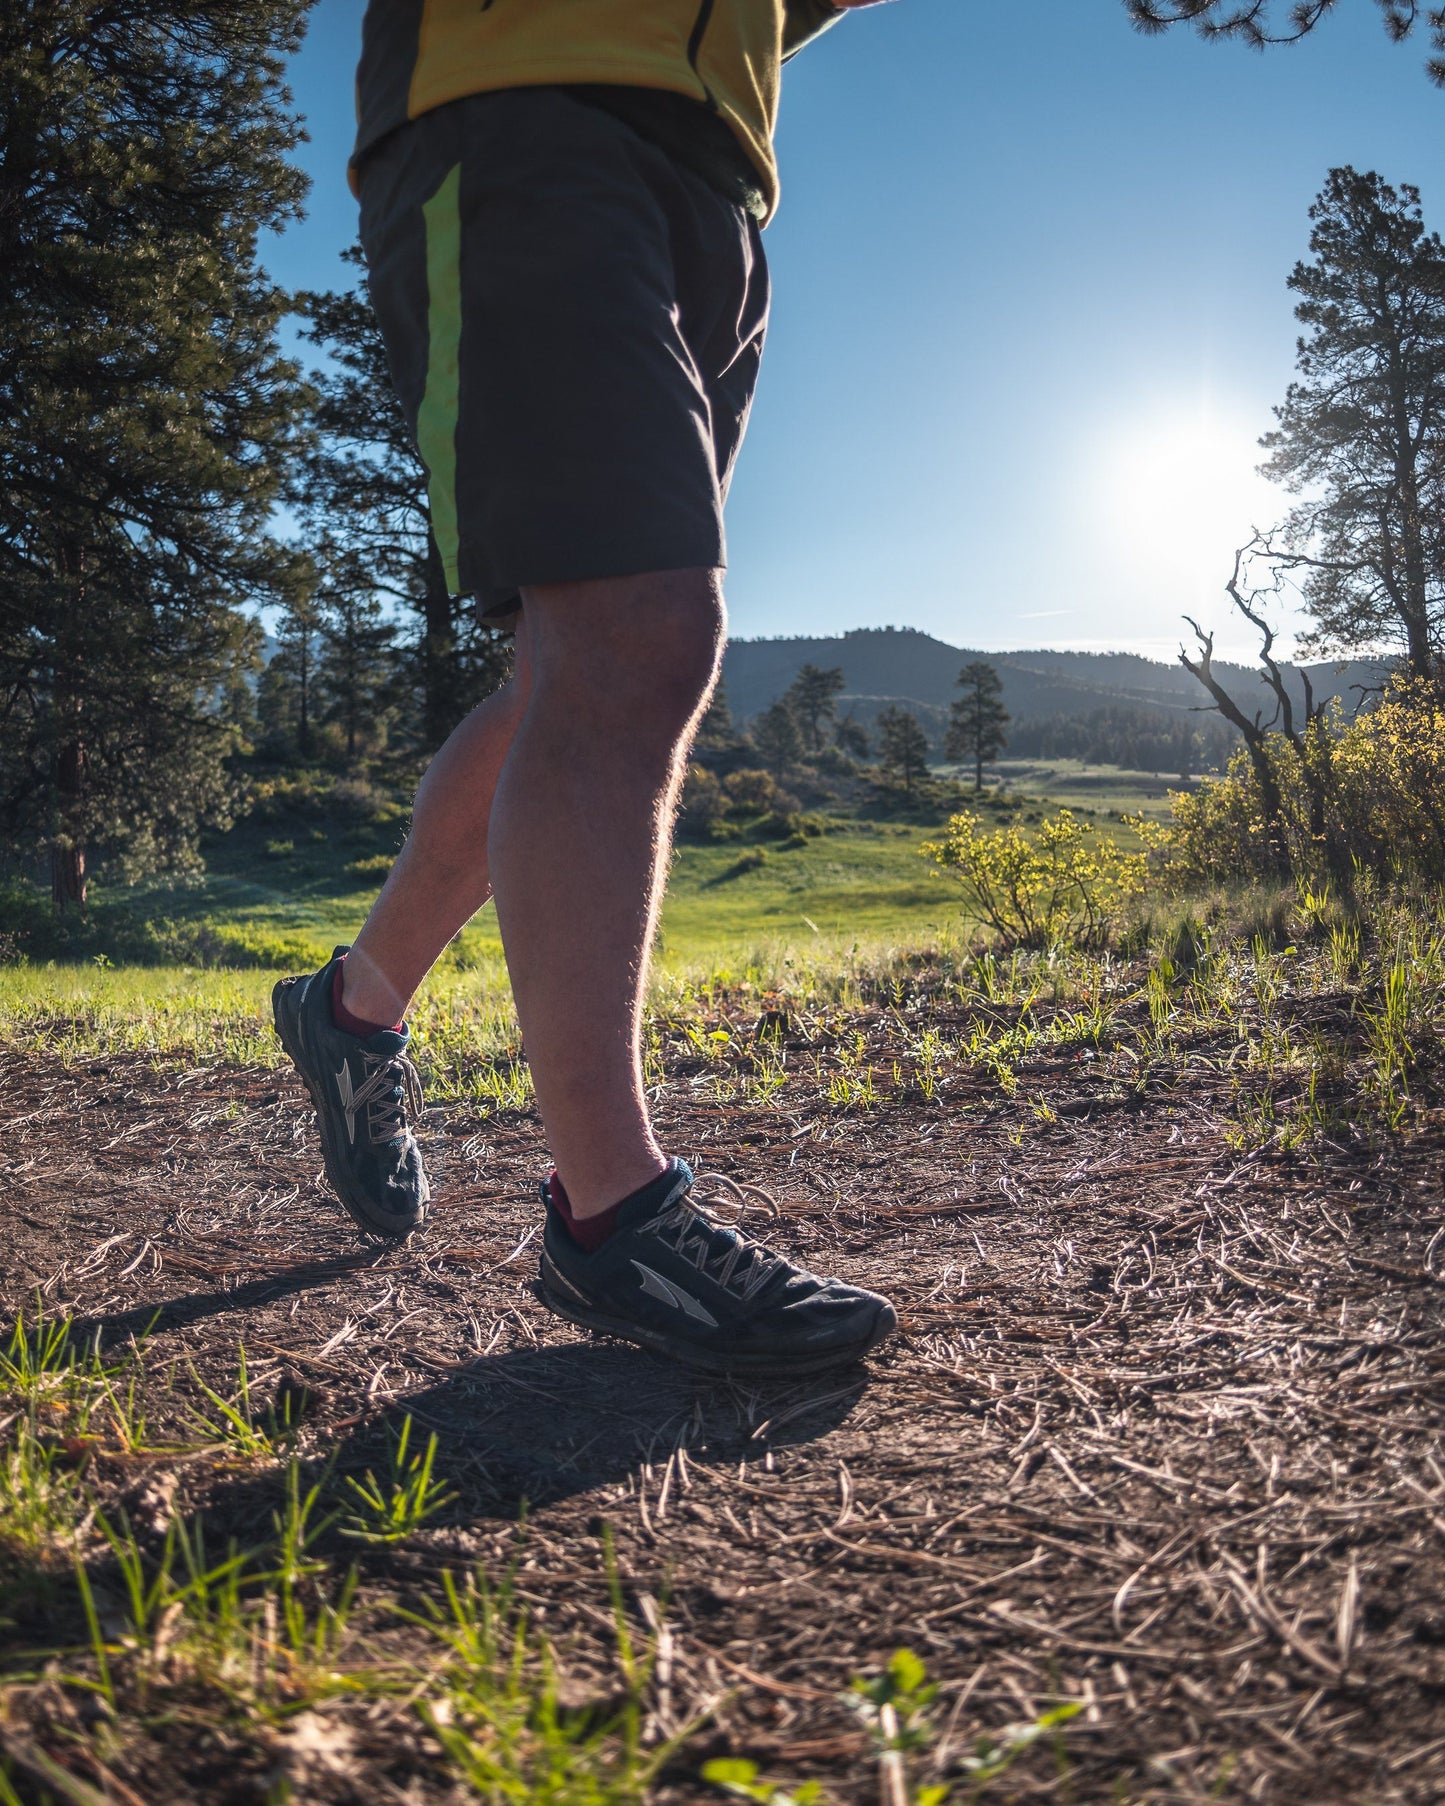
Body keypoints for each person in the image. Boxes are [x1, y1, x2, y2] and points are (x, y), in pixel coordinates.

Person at [273, 0, 898, 1377]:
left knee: (577, 661)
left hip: (715, 177)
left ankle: (354, 1008)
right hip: (514, 104)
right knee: (637, 633)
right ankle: (608, 1213)